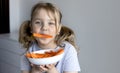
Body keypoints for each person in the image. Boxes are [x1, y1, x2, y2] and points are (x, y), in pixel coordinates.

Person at [19, 2, 81, 73]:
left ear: (58, 29)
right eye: (38, 22)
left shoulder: (68, 50)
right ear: (31, 28)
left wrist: (52, 71)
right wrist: (35, 70)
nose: (44, 28)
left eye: (51, 23)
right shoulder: (28, 51)